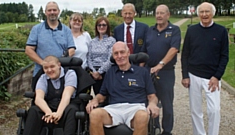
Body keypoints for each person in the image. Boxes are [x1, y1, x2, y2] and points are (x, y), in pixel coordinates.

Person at [86, 41, 160, 135]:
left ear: (128, 53)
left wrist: (153, 104)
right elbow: (102, 95)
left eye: (122, 52)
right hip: (114, 109)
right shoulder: (110, 72)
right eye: (116, 53)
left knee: (142, 116)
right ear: (113, 56)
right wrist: (95, 100)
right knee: (95, 114)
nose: (119, 56)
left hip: (135, 108)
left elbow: (152, 96)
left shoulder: (142, 72)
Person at [181, 2, 229, 135]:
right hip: (194, 75)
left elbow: (224, 56)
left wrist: (217, 76)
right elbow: (185, 54)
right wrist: (185, 75)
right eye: (201, 12)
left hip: (212, 77)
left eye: (207, 11)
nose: (204, 14)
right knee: (195, 110)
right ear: (198, 14)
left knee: (214, 110)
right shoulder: (192, 30)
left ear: (212, 13)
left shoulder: (221, 31)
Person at [142, 4, 181, 135]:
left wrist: (160, 64)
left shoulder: (174, 30)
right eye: (157, 13)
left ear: (168, 15)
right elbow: (144, 50)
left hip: (166, 72)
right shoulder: (150, 30)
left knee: (167, 103)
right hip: (149, 71)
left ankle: (167, 130)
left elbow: (174, 49)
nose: (159, 16)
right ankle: (154, 127)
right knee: (151, 100)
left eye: (162, 13)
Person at [25, 1, 75, 89]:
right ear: (45, 12)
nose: (52, 12)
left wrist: (58, 63)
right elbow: (28, 50)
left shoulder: (66, 30)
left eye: (54, 10)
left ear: (59, 11)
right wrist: (43, 63)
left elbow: (71, 50)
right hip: (41, 72)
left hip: (60, 73)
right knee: (38, 99)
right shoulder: (36, 29)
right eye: (49, 10)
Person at [23, 55, 78, 135]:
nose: (49, 70)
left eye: (52, 67)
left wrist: (58, 113)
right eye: (46, 68)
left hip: (66, 105)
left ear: (59, 65)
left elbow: (67, 95)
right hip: (49, 105)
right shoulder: (43, 78)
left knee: (72, 110)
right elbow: (39, 98)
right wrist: (48, 112)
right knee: (34, 110)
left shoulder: (70, 74)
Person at [87, 17, 116, 95]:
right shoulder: (92, 41)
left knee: (106, 95)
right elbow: (89, 57)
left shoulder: (111, 40)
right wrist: (94, 71)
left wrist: (100, 72)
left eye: (104, 25)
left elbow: (110, 58)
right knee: (97, 95)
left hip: (106, 72)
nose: (101, 27)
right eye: (99, 25)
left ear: (107, 27)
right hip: (93, 72)